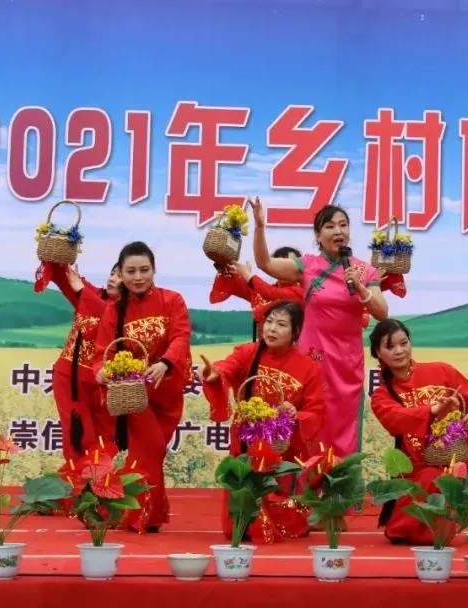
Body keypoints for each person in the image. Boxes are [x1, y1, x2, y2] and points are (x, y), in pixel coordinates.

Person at [250, 198, 388, 457]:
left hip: (346, 365)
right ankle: (304, 482)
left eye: (343, 225)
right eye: (330, 226)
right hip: (311, 361)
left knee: (342, 429)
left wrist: (360, 288)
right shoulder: (307, 266)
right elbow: (264, 263)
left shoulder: (364, 270)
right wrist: (259, 227)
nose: (338, 231)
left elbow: (382, 312)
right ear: (318, 235)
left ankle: (340, 482)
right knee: (308, 422)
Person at [197, 300, 324, 543]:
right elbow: (227, 366)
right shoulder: (248, 353)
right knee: (237, 527)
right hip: (248, 441)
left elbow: (316, 410)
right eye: (269, 322)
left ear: (296, 332)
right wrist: (215, 373)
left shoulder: (308, 367)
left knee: (286, 524)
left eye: (281, 324)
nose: (272, 329)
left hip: (281, 447)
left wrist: (295, 414)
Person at [92, 241, 191, 533]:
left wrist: (166, 363)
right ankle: (143, 515)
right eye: (131, 271)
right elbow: (102, 352)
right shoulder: (115, 311)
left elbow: (181, 335)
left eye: (144, 270)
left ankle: (134, 510)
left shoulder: (172, 300)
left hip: (168, 391)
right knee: (149, 448)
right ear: (120, 274)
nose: (138, 277)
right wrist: (100, 372)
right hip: (135, 396)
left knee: (152, 453)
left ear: (154, 270)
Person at [368, 318, 468, 545]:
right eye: (390, 346)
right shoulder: (381, 395)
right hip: (416, 466)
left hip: (454, 459)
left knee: (441, 484)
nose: (399, 351)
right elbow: (395, 419)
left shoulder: (441, 370)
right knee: (409, 521)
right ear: (378, 353)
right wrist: (432, 411)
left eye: (403, 343)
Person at [39, 261, 119, 463]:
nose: (112, 279)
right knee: (78, 435)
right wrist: (61, 252)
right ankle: (78, 480)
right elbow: (65, 277)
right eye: (112, 273)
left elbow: (113, 320)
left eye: (119, 275)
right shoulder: (92, 294)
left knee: (106, 436)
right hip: (71, 378)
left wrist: (83, 291)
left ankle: (101, 479)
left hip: (105, 383)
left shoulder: (133, 311)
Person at [208, 247, 305, 338]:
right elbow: (246, 287)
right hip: (265, 346)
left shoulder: (301, 292)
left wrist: (246, 274)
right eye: (279, 264)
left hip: (293, 347)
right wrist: (226, 267)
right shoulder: (263, 290)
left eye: (288, 265)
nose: (284, 269)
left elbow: (270, 293)